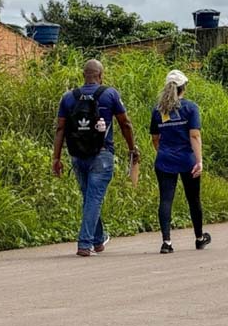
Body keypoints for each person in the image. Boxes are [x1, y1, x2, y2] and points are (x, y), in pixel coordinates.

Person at [52, 59, 139, 257]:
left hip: (77, 156)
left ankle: (98, 240)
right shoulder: (109, 94)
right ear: (100, 75)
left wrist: (56, 158)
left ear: (84, 75)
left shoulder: (68, 98)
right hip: (102, 155)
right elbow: (125, 124)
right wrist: (132, 148)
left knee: (90, 198)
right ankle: (85, 243)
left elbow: (60, 129)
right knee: (94, 198)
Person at [150, 70, 210, 254]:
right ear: (184, 87)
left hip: (165, 160)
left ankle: (166, 242)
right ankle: (199, 238)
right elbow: (194, 135)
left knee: (166, 199)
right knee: (193, 199)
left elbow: (155, 138)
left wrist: (164, 152)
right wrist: (199, 161)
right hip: (187, 160)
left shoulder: (158, 110)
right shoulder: (191, 108)